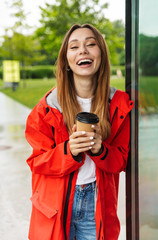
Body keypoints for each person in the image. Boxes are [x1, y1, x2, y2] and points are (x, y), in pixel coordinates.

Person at [25, 24, 134, 240]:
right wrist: (68, 151)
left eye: (91, 44)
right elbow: (37, 162)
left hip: (97, 206)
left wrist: (101, 150)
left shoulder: (118, 105)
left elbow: (121, 160)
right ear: (66, 61)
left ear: (101, 54)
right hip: (55, 208)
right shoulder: (46, 108)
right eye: (74, 47)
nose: (83, 50)